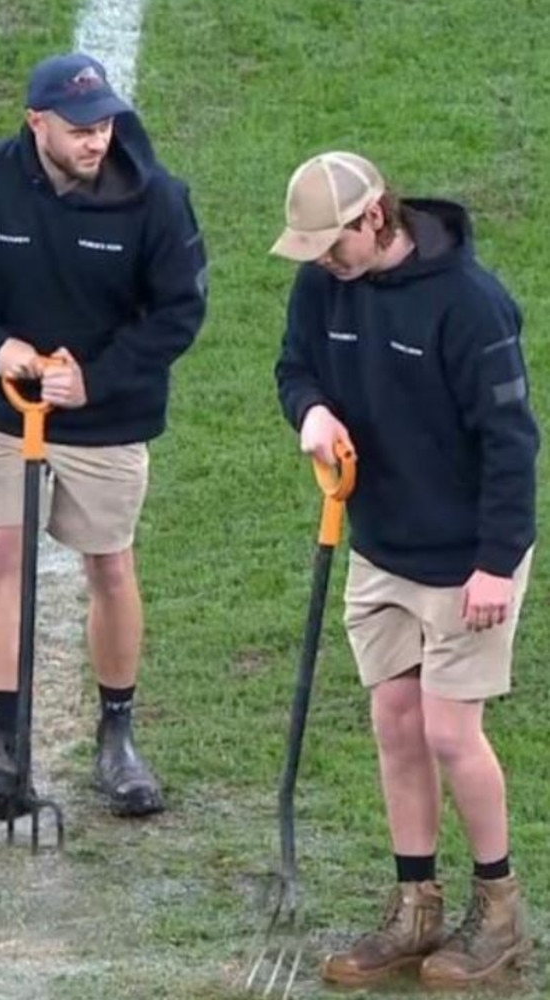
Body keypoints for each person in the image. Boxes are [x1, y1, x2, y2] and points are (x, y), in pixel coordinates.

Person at [0, 52, 207, 820]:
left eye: (103, 124)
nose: (94, 141)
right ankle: (0, 735)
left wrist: (94, 379)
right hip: (2, 408)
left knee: (110, 562)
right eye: (77, 129)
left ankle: (118, 732)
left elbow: (179, 312)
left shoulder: (158, 201)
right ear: (36, 122)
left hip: (106, 417)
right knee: (3, 551)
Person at [271, 151, 538, 988]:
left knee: (452, 733)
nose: (320, 259)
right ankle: (414, 904)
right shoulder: (323, 285)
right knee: (394, 721)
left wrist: (495, 565)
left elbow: (512, 443)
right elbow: (296, 367)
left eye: (331, 242)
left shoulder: (470, 305)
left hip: (465, 561)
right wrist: (310, 412)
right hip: (379, 546)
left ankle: (499, 910)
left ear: (374, 217)